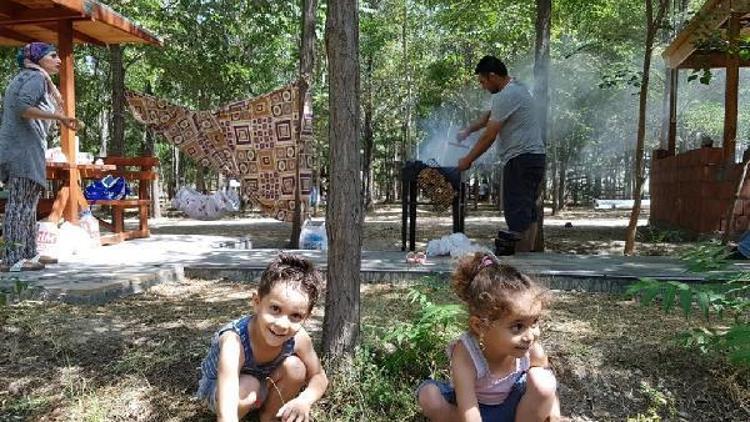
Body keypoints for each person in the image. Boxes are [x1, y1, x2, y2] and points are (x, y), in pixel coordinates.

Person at [417, 253, 560, 421]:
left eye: (534, 322)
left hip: (517, 410)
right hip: (470, 412)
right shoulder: (466, 354)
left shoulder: (531, 350)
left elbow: (550, 387)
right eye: (517, 327)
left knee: (543, 381)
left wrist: (555, 415)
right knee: (429, 396)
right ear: (480, 326)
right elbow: (468, 410)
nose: (530, 336)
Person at [197, 254, 328, 422]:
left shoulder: (299, 338)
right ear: (257, 302)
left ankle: (269, 417)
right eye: (275, 308)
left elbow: (319, 375)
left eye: (295, 315)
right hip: (221, 391)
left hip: (262, 384)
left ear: (306, 317)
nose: (282, 324)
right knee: (249, 385)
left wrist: (304, 400)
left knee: (296, 367)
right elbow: (228, 389)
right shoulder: (234, 340)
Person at [0, 42, 80, 271]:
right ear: (38, 59)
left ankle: (29, 254)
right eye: (53, 56)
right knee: (19, 204)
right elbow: (22, 108)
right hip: (21, 150)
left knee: (28, 203)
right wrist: (58, 116)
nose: (58, 60)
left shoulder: (30, 77)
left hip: (23, 148)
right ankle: (14, 258)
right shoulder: (35, 78)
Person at [455, 55, 546, 252]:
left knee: (517, 215)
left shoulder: (508, 95)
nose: (482, 86)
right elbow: (487, 118)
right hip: (532, 158)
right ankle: (528, 258)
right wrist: (467, 131)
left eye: (483, 81)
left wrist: (467, 160)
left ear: (493, 76)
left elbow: (489, 136)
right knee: (526, 212)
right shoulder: (513, 89)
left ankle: (522, 264)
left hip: (521, 159)